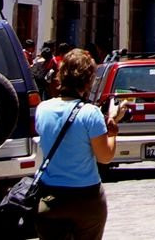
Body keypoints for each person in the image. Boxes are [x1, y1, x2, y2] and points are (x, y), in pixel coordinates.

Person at [36, 48, 124, 240]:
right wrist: (113, 128)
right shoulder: (90, 113)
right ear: (88, 80)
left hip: (51, 198)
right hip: (86, 198)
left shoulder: (42, 109)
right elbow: (105, 157)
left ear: (61, 75)